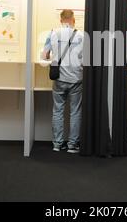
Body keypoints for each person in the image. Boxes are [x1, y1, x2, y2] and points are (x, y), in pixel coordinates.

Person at [41, 9, 83, 153]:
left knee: (57, 111)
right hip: (76, 79)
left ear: (60, 20)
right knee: (75, 111)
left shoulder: (53, 32)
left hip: (58, 78)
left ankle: (57, 144)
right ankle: (72, 145)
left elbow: (44, 55)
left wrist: (55, 55)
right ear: (73, 20)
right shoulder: (81, 35)